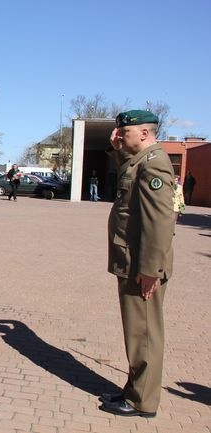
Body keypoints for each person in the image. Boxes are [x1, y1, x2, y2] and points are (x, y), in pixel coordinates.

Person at [99, 110, 175, 418]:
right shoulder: (141, 160)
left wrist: (149, 271)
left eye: (125, 133)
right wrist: (117, 148)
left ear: (144, 133)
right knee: (136, 332)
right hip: (133, 262)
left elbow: (159, 223)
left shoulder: (155, 164)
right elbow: (128, 170)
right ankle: (134, 389)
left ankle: (142, 401)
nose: (120, 137)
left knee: (144, 333)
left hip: (142, 267)